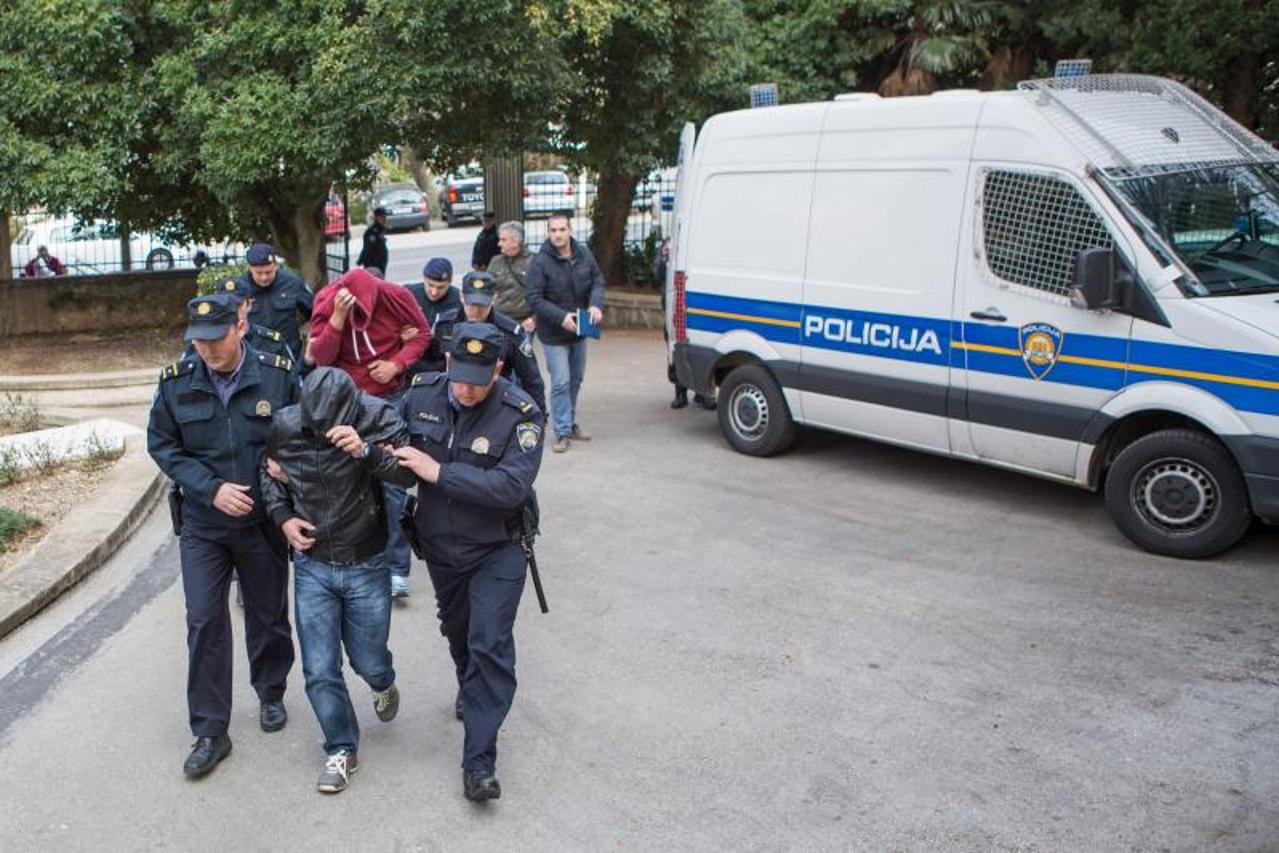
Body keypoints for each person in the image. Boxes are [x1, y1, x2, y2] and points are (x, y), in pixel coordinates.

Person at [146, 292, 298, 779]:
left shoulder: (275, 371)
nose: (207, 350)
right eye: (198, 341)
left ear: (239, 328)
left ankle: (271, 691)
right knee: (205, 619)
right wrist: (210, 489)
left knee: (268, 614)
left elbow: (301, 428)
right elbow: (162, 445)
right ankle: (211, 729)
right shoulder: (176, 382)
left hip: (261, 522)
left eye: (216, 339)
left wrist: (287, 464)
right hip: (204, 525)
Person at [392, 323, 545, 801]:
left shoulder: (521, 413)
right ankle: (470, 688)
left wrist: (438, 472)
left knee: (488, 642)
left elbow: (509, 488)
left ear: (498, 369)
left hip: (497, 548)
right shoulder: (420, 395)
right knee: (459, 634)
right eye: (459, 376)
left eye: (478, 379)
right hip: (440, 548)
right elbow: (392, 449)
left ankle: (479, 760)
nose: (465, 388)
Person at [260, 367, 415, 794]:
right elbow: (266, 473)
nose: (323, 432)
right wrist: (284, 517)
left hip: (366, 560)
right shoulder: (286, 424)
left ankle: (383, 682)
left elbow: (410, 474)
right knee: (319, 668)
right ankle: (341, 747)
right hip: (312, 563)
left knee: (369, 660)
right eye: (316, 425)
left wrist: (367, 451)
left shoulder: (378, 416)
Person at [309, 267, 429, 599]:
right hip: (349, 404)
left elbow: (422, 334)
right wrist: (337, 319)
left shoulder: (396, 296)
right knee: (349, 480)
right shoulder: (328, 300)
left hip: (390, 400)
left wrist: (397, 363)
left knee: (392, 481)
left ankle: (396, 568)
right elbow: (321, 357)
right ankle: (354, 560)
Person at [523, 211, 604, 453]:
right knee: (560, 382)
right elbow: (534, 298)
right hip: (554, 334)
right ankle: (561, 431)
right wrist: (561, 318)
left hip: (579, 330)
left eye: (562, 229)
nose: (558, 234)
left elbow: (597, 281)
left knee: (576, 380)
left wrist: (595, 305)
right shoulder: (540, 262)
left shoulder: (583, 254)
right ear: (548, 233)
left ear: (570, 230)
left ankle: (569, 423)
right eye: (553, 230)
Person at [460, 271, 546, 414]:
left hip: (496, 406)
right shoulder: (446, 326)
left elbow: (531, 379)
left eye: (481, 305)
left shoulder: (511, 332)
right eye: (471, 304)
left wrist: (539, 417)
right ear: (462, 297)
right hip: (456, 405)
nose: (475, 311)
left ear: (493, 299)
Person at [235, 243, 314, 360]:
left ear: (276, 266)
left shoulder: (292, 283)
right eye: (259, 273)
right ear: (250, 268)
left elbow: (314, 311)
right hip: (252, 358)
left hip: (288, 356)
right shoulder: (239, 289)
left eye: (268, 272)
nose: (264, 277)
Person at [404, 257, 463, 379]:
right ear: (424, 278)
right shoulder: (409, 294)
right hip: (411, 364)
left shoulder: (459, 301)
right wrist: (400, 336)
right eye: (430, 285)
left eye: (441, 287)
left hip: (441, 366)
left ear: (450, 282)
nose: (434, 292)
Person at [487, 221, 535, 332]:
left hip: (524, 322)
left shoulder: (534, 262)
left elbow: (543, 295)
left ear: (515, 241)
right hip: (498, 320)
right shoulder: (495, 262)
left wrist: (534, 319)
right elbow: (486, 289)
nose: (499, 244)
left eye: (503, 240)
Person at [358, 207, 389, 274]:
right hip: (374, 265)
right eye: (381, 217)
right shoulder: (372, 232)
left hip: (380, 264)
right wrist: (361, 260)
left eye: (384, 216)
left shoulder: (380, 230)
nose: (384, 219)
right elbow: (367, 248)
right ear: (376, 218)